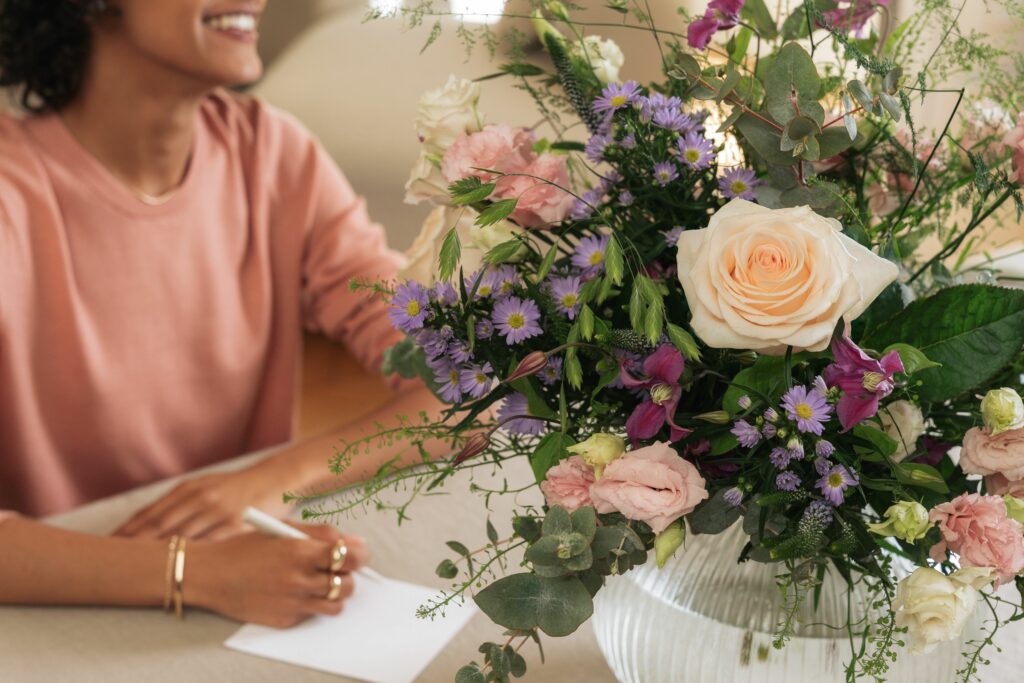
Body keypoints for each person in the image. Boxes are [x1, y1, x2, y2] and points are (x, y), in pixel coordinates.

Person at [0, 0, 441, 627]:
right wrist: (194, 572)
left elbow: (460, 388)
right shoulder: (12, 195)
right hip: (56, 607)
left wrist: (276, 479)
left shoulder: (275, 156)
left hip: (242, 588)